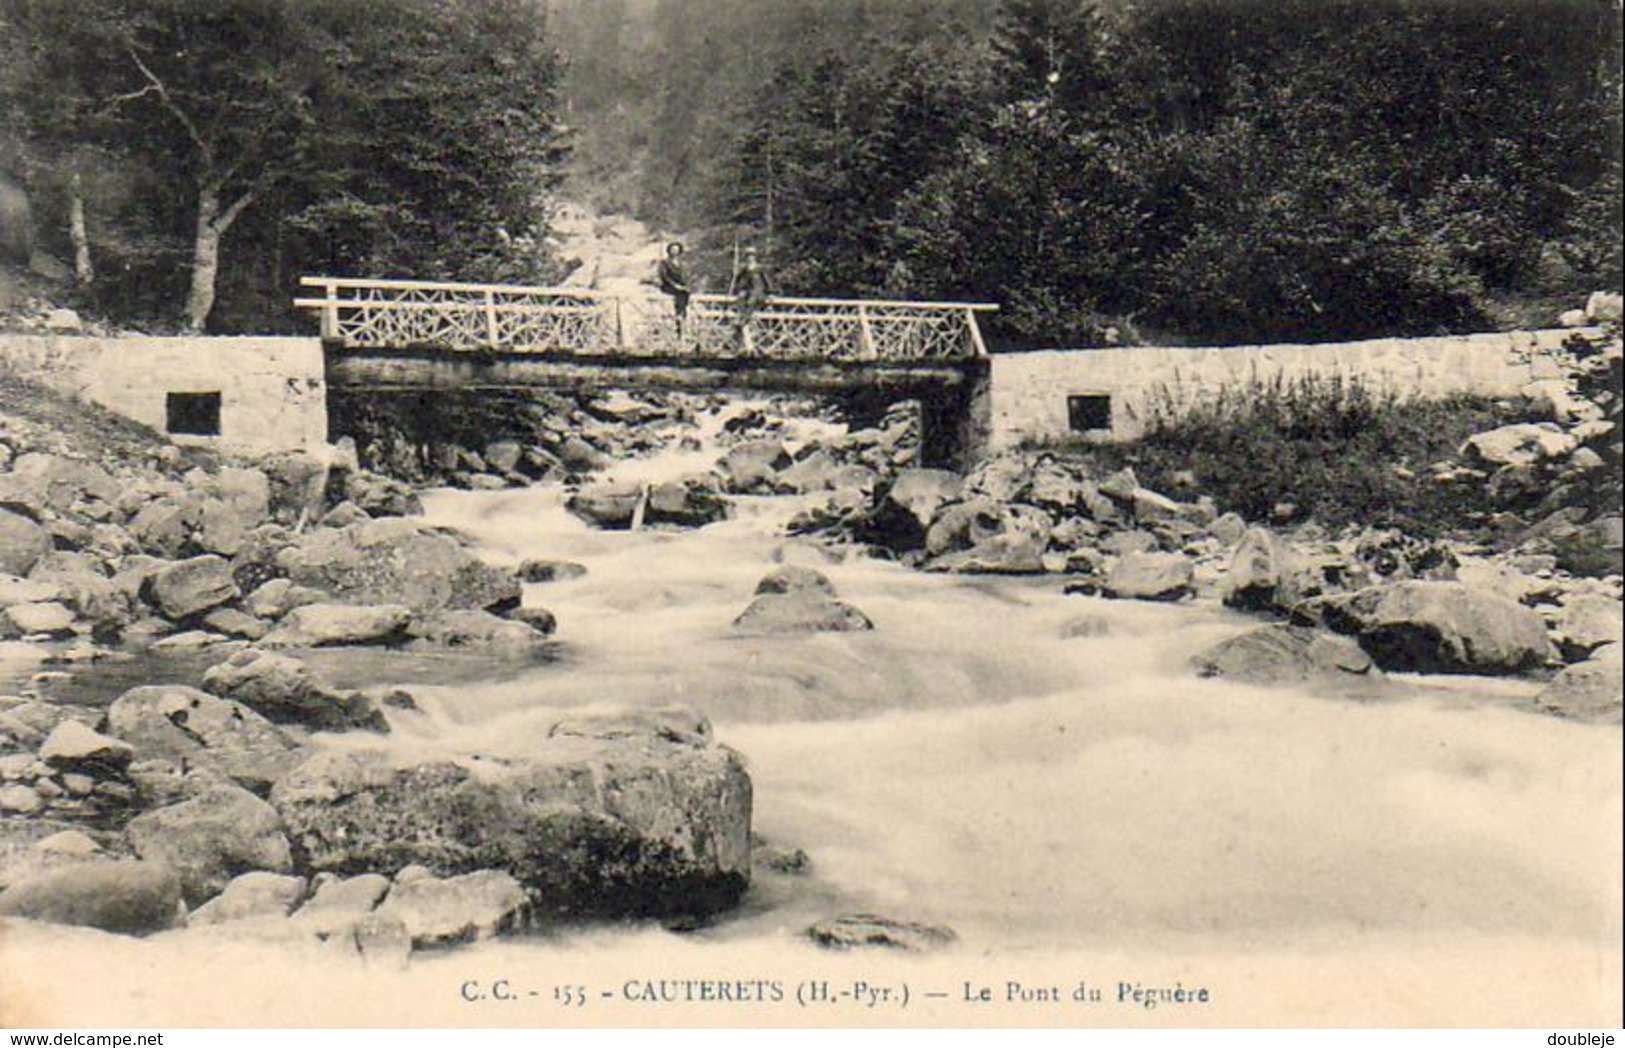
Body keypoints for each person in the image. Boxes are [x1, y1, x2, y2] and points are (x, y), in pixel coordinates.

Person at [730, 246, 772, 353]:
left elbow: (767, 281)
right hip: (749, 292)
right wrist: (738, 288)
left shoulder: (759, 269)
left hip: (758, 292)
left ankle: (743, 319)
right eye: (748, 256)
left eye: (752, 256)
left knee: (751, 300)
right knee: (743, 298)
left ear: (755, 257)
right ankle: (741, 319)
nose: (750, 258)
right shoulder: (745, 269)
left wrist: (770, 293)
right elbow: (739, 281)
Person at [656, 241, 692, 337]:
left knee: (685, 292)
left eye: (676, 250)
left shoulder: (681, 264)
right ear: (669, 251)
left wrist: (685, 285)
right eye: (672, 250)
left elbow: (684, 277)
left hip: (680, 287)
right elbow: (664, 276)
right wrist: (675, 285)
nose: (674, 252)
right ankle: (680, 314)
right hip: (668, 285)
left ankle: (681, 314)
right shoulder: (664, 262)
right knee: (682, 292)